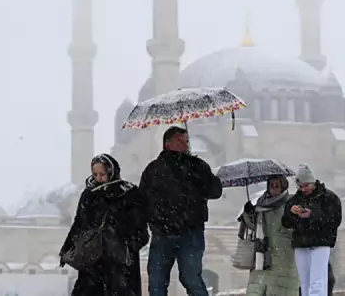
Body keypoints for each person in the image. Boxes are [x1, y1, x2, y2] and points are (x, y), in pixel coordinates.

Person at [139, 126, 223, 296]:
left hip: (190, 232)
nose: (185, 143)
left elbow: (215, 191)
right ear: (167, 144)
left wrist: (199, 172)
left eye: (186, 139)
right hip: (162, 233)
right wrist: (154, 222)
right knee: (157, 281)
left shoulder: (197, 166)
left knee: (191, 278)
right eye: (179, 140)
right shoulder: (154, 169)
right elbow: (142, 200)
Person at [59, 153, 149, 296]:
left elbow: (141, 229)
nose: (99, 178)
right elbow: (80, 223)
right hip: (93, 258)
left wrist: (126, 246)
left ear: (111, 172)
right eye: (95, 174)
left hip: (120, 262)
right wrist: (68, 248)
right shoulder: (89, 194)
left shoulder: (129, 193)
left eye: (102, 174)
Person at [282, 164, 342, 296]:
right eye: (300, 186)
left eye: (306, 186)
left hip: (321, 243)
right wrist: (292, 213)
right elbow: (286, 223)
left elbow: (334, 220)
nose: (303, 189)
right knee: (304, 282)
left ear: (313, 182)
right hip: (301, 244)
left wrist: (312, 215)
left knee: (317, 281)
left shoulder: (329, 198)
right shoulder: (294, 200)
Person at [239, 176, 299, 296]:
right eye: (271, 185)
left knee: (281, 290)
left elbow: (296, 227)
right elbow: (253, 226)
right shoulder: (261, 203)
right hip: (262, 256)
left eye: (277, 185)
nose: (273, 188)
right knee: (256, 290)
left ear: (283, 186)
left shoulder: (292, 203)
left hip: (284, 257)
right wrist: (248, 213)